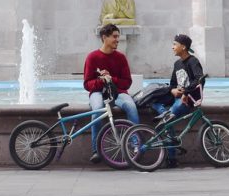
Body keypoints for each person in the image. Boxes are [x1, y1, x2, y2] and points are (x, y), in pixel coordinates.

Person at [83, 23, 139, 163]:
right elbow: (87, 84)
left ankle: (136, 144)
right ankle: (96, 150)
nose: (117, 39)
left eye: (118, 36)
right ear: (104, 37)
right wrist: (101, 81)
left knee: (131, 107)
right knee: (96, 110)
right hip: (98, 92)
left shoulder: (120, 57)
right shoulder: (92, 57)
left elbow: (127, 82)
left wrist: (110, 79)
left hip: (118, 92)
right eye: (114, 36)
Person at [150, 33, 204, 168]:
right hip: (178, 97)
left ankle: (172, 157)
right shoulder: (177, 64)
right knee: (153, 101)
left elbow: (199, 79)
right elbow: (173, 84)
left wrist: (186, 92)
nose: (172, 47)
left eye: (175, 44)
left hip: (189, 99)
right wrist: (174, 90)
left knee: (170, 117)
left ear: (183, 47)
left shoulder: (193, 61)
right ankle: (164, 114)